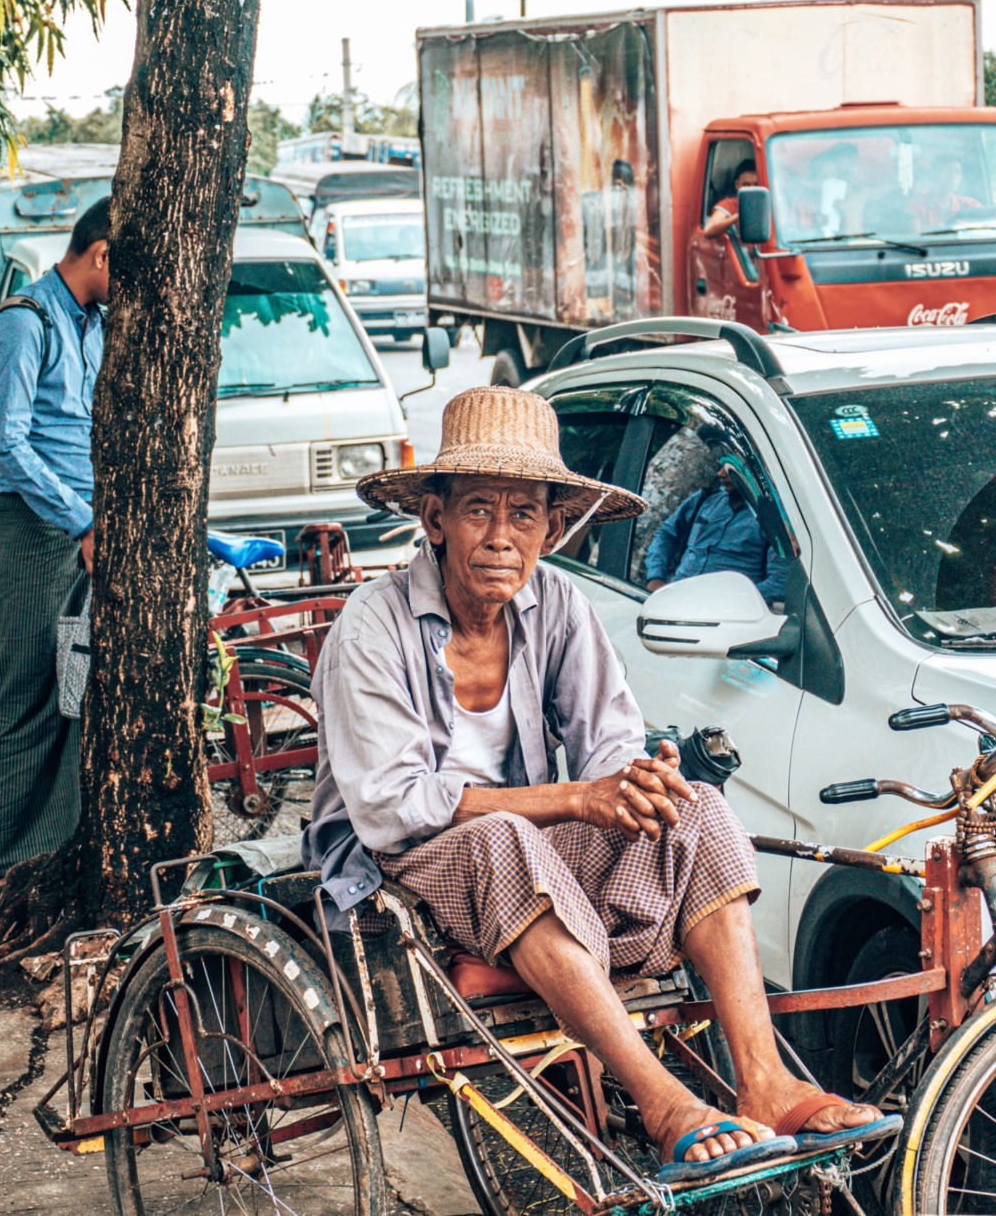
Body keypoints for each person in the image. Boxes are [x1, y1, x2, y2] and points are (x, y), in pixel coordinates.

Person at [303, 386, 896, 1180]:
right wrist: (580, 797)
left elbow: (610, 739)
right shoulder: (371, 626)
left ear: (552, 527)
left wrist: (641, 780)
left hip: (531, 852)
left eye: (524, 515)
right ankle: (662, 1102)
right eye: (479, 509)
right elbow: (391, 806)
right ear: (435, 519)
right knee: (504, 838)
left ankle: (762, 1079)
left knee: (699, 811)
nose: (500, 537)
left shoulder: (556, 604)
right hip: (404, 864)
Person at [0, 197, 110, 903]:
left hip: (78, 532)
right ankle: (4, 864)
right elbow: (7, 442)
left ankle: (47, 853)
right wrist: (80, 521)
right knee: (23, 693)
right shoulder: (24, 323)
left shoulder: (92, 324)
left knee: (71, 688)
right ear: (99, 253)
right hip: (34, 531)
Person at [644, 447, 787, 604]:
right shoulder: (706, 499)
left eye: (730, 469)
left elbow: (779, 583)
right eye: (721, 467)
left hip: (722, 615)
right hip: (674, 600)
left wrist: (731, 604)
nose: (720, 474)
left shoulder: (773, 519)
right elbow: (666, 534)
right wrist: (656, 576)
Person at [702, 159, 758, 240]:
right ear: (737, 185)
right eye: (746, 184)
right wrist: (739, 216)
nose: (752, 189)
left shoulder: (771, 204)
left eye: (756, 184)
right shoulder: (729, 204)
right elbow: (709, 230)